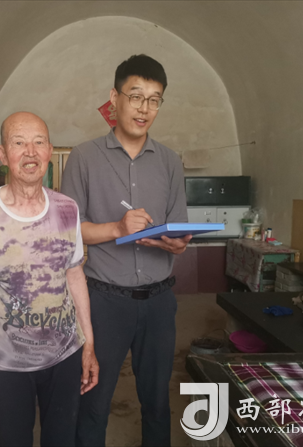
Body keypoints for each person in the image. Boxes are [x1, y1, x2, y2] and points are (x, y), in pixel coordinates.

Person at [61, 54, 190, 447]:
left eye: (154, 100)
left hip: (159, 301)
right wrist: (117, 229)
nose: (144, 108)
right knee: (93, 402)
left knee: (157, 402)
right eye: (135, 96)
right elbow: (69, 232)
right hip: (104, 301)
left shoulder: (169, 161)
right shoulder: (84, 157)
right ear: (114, 98)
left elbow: (178, 227)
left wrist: (176, 243)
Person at [0, 111, 99, 447]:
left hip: (64, 355)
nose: (30, 152)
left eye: (39, 142)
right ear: (2, 153)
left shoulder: (68, 210)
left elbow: (74, 274)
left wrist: (89, 344)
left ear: (49, 150)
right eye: (19, 143)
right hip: (6, 363)